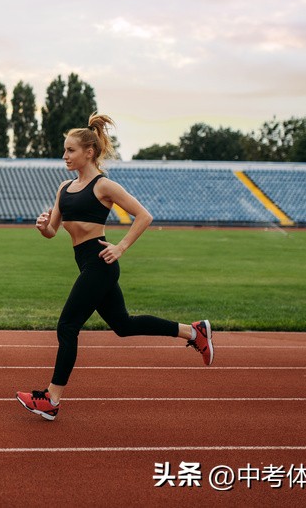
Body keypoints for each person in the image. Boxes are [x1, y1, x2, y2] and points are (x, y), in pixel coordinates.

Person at [16, 113, 213, 421]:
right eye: (65, 150)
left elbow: (144, 216)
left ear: (89, 152)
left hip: (100, 264)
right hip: (86, 265)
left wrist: (121, 247)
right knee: (123, 325)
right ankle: (193, 332)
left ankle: (52, 398)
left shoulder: (103, 186)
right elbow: (53, 231)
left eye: (70, 150)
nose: (64, 155)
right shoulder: (64, 188)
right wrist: (42, 226)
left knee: (67, 326)